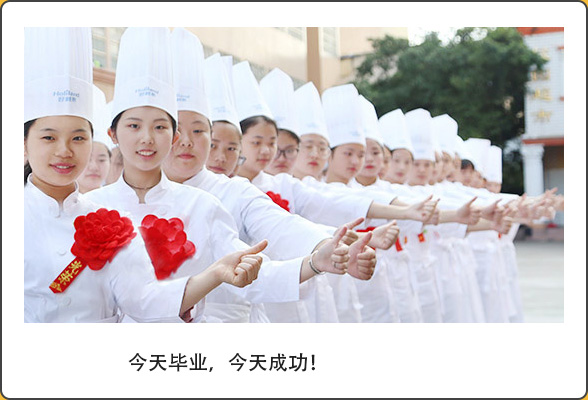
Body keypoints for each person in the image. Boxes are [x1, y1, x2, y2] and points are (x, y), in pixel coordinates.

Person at [24, 27, 264, 323]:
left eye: (78, 138)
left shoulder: (109, 221)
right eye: (48, 138)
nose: (64, 151)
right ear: (23, 143)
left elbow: (145, 300)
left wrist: (215, 274)